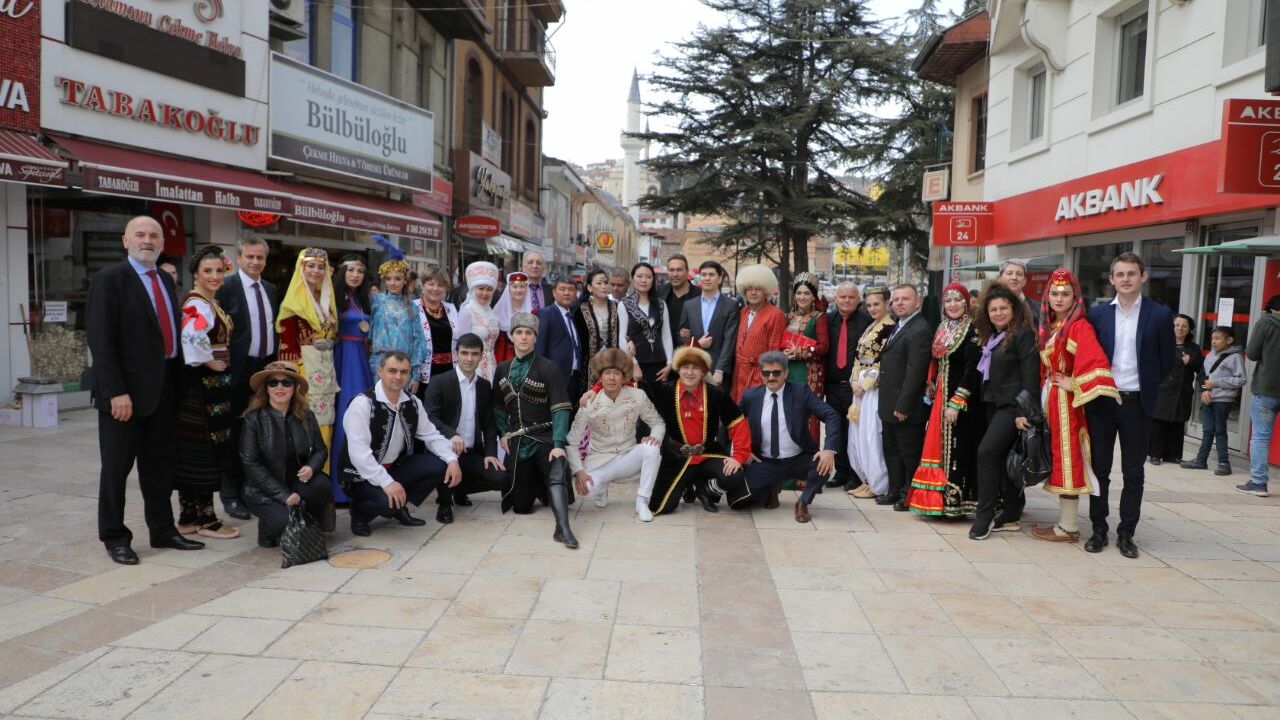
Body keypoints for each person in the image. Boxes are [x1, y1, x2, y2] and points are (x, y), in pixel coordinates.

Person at [88, 215, 204, 564]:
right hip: (124, 395)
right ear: (126, 241)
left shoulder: (165, 280)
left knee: (159, 467)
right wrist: (115, 392)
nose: (147, 240)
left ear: (162, 243)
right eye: (139, 234)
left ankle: (163, 530)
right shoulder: (109, 280)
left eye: (154, 235)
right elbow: (101, 341)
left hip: (164, 389)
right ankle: (114, 537)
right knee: (116, 470)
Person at [1084, 252, 1175, 559]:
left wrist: (1147, 384)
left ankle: (1126, 533)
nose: (1126, 279)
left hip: (1137, 403)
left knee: (1133, 472)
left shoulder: (1160, 315)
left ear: (1143, 277)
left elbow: (1167, 361)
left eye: (1131, 274)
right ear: (1111, 279)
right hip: (1102, 401)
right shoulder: (1097, 315)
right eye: (1120, 274)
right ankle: (1098, 529)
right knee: (1099, 469)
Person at [1030, 270, 1121, 543]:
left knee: (1068, 459)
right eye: (1054, 293)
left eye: (1065, 294)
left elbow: (1094, 361)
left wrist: (1075, 383)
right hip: (1051, 399)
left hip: (1067, 406)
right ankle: (1065, 523)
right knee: (1060, 457)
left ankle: (1069, 527)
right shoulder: (1052, 325)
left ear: (1075, 297)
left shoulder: (1079, 326)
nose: (1059, 298)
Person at [340, 352, 462, 536]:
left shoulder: (413, 402)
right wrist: (387, 483)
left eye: (404, 372)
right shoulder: (363, 404)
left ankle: (399, 504)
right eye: (392, 371)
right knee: (387, 504)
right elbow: (359, 454)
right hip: (361, 475)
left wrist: (452, 460)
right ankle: (359, 513)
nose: (398, 377)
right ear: (380, 371)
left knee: (441, 465)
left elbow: (431, 435)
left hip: (395, 467)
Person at [494, 313, 579, 547]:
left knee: (556, 467)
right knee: (521, 507)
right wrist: (503, 433)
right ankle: (541, 486)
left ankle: (563, 529)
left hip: (545, 437)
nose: (523, 337)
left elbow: (560, 409)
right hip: (518, 442)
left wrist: (559, 444)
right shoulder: (502, 369)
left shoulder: (548, 368)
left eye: (529, 333)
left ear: (535, 337)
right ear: (511, 336)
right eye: (519, 332)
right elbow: (498, 407)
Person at [174, 244, 240, 539]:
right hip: (203, 386)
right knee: (204, 447)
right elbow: (191, 336)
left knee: (196, 447)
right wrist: (208, 360)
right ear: (196, 274)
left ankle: (189, 516)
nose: (215, 276)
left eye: (219, 271)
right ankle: (206, 519)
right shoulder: (198, 304)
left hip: (208, 385)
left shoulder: (208, 302)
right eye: (208, 271)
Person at [969, 284, 1041, 540]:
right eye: (993, 310)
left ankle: (985, 514)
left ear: (1014, 310)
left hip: (1012, 407)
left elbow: (1030, 377)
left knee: (986, 453)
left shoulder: (1022, 334)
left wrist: (1024, 411)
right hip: (992, 404)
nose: (998, 313)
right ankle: (1011, 512)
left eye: (1003, 308)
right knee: (1002, 459)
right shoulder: (994, 337)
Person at [645, 346, 753, 514]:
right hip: (676, 456)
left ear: (703, 371)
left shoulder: (716, 394)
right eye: (685, 367)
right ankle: (687, 483)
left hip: (707, 453)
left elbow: (738, 424)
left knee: (734, 475)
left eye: (695, 367)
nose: (689, 372)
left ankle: (706, 491)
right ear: (678, 369)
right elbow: (630, 385)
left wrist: (738, 457)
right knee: (662, 508)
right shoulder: (664, 390)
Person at [215, 237, 278, 521]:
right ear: (239, 257)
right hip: (236, 371)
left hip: (264, 371)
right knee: (233, 432)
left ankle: (253, 489)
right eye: (250, 256)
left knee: (259, 432)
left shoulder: (270, 289)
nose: (255, 262)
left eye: (260, 257)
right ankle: (230, 495)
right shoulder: (226, 287)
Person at [906, 283, 982, 520]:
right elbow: (937, 361)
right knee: (941, 447)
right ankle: (937, 502)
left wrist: (957, 401)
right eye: (948, 301)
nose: (952, 305)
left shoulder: (973, 329)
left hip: (962, 400)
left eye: (957, 300)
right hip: (940, 396)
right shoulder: (943, 327)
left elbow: (973, 369)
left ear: (966, 303)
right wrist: (931, 382)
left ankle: (955, 503)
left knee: (958, 448)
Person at [239, 361, 331, 548]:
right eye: (273, 383)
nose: (279, 387)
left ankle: (304, 519)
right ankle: (268, 528)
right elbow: (250, 463)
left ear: (295, 388)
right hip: (264, 489)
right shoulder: (253, 419)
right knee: (285, 523)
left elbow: (321, 450)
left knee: (322, 484)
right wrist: (283, 495)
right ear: (266, 388)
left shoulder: (306, 415)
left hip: (297, 482)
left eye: (286, 383)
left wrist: (311, 467)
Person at [568, 349, 666, 521]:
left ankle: (642, 501)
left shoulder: (638, 396)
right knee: (586, 489)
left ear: (624, 376)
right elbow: (571, 442)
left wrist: (655, 437)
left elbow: (658, 422)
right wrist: (578, 471)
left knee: (652, 449)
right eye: (607, 373)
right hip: (600, 461)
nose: (611, 378)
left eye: (616, 373)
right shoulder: (589, 402)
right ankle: (601, 488)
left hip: (628, 457)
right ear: (600, 376)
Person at [740, 352, 840, 521]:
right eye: (766, 373)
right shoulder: (751, 396)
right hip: (765, 461)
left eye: (776, 372)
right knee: (742, 498)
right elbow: (732, 422)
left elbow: (831, 415)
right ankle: (771, 489)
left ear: (786, 373)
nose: (771, 377)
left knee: (823, 466)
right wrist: (741, 450)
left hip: (798, 458)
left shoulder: (801, 392)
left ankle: (803, 502)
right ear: (761, 374)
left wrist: (829, 449)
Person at [423, 333, 509, 523]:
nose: (469, 358)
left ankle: (458, 489)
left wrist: (490, 453)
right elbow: (429, 417)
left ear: (481, 356)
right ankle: (445, 503)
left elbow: (489, 424)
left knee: (501, 478)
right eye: (464, 353)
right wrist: (451, 434)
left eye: (474, 354)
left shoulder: (484, 386)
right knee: (443, 466)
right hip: (443, 451)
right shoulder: (439, 382)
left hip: (471, 452)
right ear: (456, 354)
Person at [276, 248, 341, 463]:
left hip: (326, 370)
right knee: (306, 421)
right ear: (301, 268)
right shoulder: (294, 301)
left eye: (321, 267)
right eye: (311, 265)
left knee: (326, 422)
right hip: (305, 370)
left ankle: (323, 475)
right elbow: (287, 346)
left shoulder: (326, 299)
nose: (316, 271)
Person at [878, 284, 933, 511]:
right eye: (896, 299)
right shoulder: (898, 325)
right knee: (891, 451)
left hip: (906, 407)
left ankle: (907, 494)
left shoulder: (920, 329)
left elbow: (915, 373)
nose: (899, 303)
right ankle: (894, 490)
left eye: (905, 299)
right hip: (889, 402)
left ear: (917, 302)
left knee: (908, 453)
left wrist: (903, 405)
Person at [331, 254, 373, 503]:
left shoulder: (364, 299)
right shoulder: (332, 297)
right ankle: (339, 488)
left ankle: (364, 482)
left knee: (364, 417)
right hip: (343, 358)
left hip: (362, 358)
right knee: (345, 416)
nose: (355, 275)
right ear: (342, 272)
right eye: (350, 270)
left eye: (360, 271)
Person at [825, 282, 873, 495]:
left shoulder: (867, 322)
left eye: (851, 297)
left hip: (856, 388)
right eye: (842, 297)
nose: (846, 300)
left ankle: (856, 474)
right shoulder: (828, 320)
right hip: (833, 387)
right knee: (836, 430)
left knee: (855, 432)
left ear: (858, 300)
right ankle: (840, 471)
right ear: (836, 299)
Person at [847, 287, 894, 501]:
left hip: (873, 389)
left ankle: (878, 483)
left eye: (876, 304)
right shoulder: (871, 327)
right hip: (860, 388)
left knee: (871, 435)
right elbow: (859, 358)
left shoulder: (889, 328)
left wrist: (864, 384)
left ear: (886, 303)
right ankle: (866, 479)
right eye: (869, 305)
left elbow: (882, 361)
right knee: (858, 437)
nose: (873, 308)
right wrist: (854, 380)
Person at [1181, 326, 1246, 476]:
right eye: (1212, 338)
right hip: (1208, 398)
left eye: (1218, 339)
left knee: (1220, 430)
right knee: (1208, 430)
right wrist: (1204, 391)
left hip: (1223, 400)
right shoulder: (1210, 355)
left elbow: (1241, 379)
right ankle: (1201, 460)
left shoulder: (1235, 357)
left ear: (1229, 340)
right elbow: (1204, 375)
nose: (1213, 342)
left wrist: (1216, 383)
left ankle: (1224, 463)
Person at [1149, 314, 1203, 465]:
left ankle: (1173, 455)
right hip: (1162, 389)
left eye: (1184, 326)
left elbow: (1201, 369)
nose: (1180, 328)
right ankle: (1155, 454)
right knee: (1159, 423)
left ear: (1189, 329)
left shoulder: (1193, 348)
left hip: (1182, 391)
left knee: (1178, 423)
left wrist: (1190, 361)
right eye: (1177, 325)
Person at [784, 273, 829, 446]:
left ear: (813, 296)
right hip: (788, 371)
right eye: (799, 293)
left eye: (806, 293)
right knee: (789, 413)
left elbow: (824, 346)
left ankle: (810, 456)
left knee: (808, 415)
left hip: (809, 373)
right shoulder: (788, 317)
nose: (802, 297)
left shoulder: (819, 317)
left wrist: (802, 352)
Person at [368, 258, 429, 388]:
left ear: (405, 280)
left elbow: (418, 341)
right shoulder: (376, 302)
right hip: (380, 363)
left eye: (397, 279)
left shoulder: (412, 307)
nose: (392, 283)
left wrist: (415, 374)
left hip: (403, 365)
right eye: (388, 279)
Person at [729, 264, 786, 403]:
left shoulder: (775, 315)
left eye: (758, 289)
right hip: (738, 373)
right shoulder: (743, 312)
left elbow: (774, 349)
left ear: (766, 291)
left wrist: (769, 376)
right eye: (749, 289)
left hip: (759, 374)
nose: (753, 293)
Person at [1242, 295, 1280, 497]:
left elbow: (1252, 353)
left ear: (1271, 309)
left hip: (1266, 389)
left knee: (1261, 437)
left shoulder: (1266, 322)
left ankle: (1258, 483)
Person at [678, 261, 738, 387]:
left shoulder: (730, 305)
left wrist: (720, 370)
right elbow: (681, 337)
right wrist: (697, 343)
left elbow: (730, 340)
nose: (707, 278)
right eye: (704, 275)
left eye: (711, 275)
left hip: (718, 371)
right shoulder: (689, 305)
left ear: (719, 278)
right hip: (693, 369)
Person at [620, 262, 675, 382]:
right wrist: (634, 364)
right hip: (637, 365)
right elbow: (621, 337)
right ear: (632, 278)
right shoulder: (624, 304)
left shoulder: (661, 304)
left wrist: (669, 363)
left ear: (653, 280)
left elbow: (666, 335)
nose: (644, 280)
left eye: (648, 277)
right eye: (639, 276)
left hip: (661, 365)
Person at [536, 276, 586, 405]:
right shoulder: (546, 314)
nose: (567, 293)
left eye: (571, 289)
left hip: (573, 378)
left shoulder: (574, 315)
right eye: (562, 289)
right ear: (554, 292)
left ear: (576, 293)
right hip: (554, 379)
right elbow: (540, 348)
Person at [574, 268, 628, 387]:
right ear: (590, 287)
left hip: (613, 363)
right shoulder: (580, 311)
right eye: (599, 283)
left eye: (605, 282)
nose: (604, 286)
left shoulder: (617, 307)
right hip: (588, 367)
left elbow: (624, 332)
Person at [455, 261, 502, 381]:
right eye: (481, 288)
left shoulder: (491, 312)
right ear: (473, 289)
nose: (485, 293)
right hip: (473, 368)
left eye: (489, 289)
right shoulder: (467, 312)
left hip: (492, 366)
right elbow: (459, 345)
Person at [415, 268, 460, 395]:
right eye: (431, 284)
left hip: (449, 371)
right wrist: (413, 375)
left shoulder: (451, 309)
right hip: (423, 374)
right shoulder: (413, 308)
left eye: (440, 285)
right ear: (423, 285)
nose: (435, 288)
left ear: (446, 288)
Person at [656, 254, 696, 348]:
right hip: (663, 349)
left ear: (687, 271)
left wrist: (693, 332)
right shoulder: (659, 293)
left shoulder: (699, 295)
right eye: (671, 270)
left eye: (679, 270)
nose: (675, 274)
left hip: (688, 350)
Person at [493, 271, 532, 364]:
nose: (518, 290)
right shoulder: (498, 311)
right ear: (509, 288)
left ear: (527, 288)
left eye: (522, 286)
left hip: (525, 359)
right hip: (501, 359)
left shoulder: (533, 312)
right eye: (515, 287)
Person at [997, 258, 1040, 325]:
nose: (1014, 277)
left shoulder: (1037, 307)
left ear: (1025, 281)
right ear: (999, 279)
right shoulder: (989, 304)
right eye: (1009, 273)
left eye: (1019, 274)